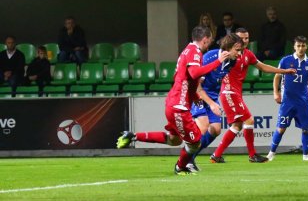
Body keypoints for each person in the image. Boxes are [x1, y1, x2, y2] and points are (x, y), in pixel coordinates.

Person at [116, 26, 230, 175]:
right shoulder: (194, 52)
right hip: (179, 106)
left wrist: (194, 97)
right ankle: (180, 167)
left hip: (175, 102)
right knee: (195, 142)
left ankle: (133, 136)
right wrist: (217, 62)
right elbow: (194, 73)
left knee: (174, 140)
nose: (208, 45)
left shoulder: (186, 51)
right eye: (209, 42)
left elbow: (181, 77)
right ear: (205, 39)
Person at [210, 28, 296, 163]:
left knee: (237, 126)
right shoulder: (228, 55)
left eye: (247, 38)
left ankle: (216, 155)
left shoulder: (248, 54)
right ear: (233, 40)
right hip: (228, 92)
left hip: (235, 93)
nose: (244, 41)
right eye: (241, 38)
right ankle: (252, 155)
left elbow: (263, 67)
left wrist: (284, 71)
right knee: (249, 121)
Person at [187, 33, 243, 170]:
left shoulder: (232, 61)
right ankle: (186, 160)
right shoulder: (208, 58)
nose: (239, 54)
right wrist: (212, 104)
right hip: (197, 95)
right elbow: (197, 86)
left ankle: (190, 158)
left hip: (212, 96)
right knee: (204, 126)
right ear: (228, 48)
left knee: (216, 130)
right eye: (237, 50)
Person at [267, 35, 308, 162]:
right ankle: (271, 153)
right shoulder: (285, 60)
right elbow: (277, 77)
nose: (300, 48)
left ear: (306, 46)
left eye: (303, 45)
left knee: (305, 128)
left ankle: (306, 155)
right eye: (298, 46)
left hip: (303, 102)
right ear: (294, 47)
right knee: (281, 128)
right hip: (287, 102)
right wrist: (275, 93)